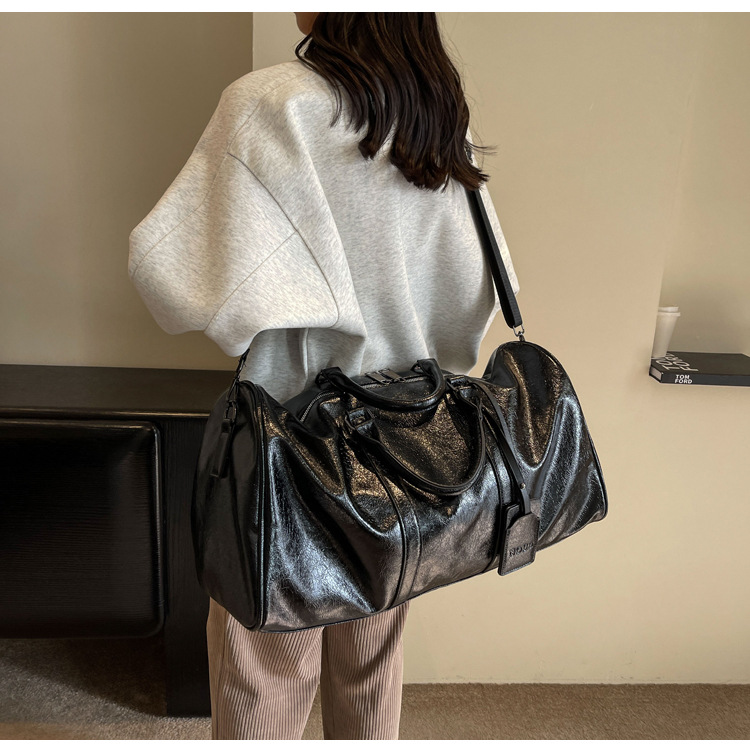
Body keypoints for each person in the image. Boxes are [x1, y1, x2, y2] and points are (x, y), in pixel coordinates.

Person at [128, 12, 520, 741]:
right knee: (372, 658)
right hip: (406, 448)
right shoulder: (438, 114)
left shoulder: (271, 103)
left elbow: (167, 275)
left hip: (290, 444)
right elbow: (477, 287)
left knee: (265, 671)